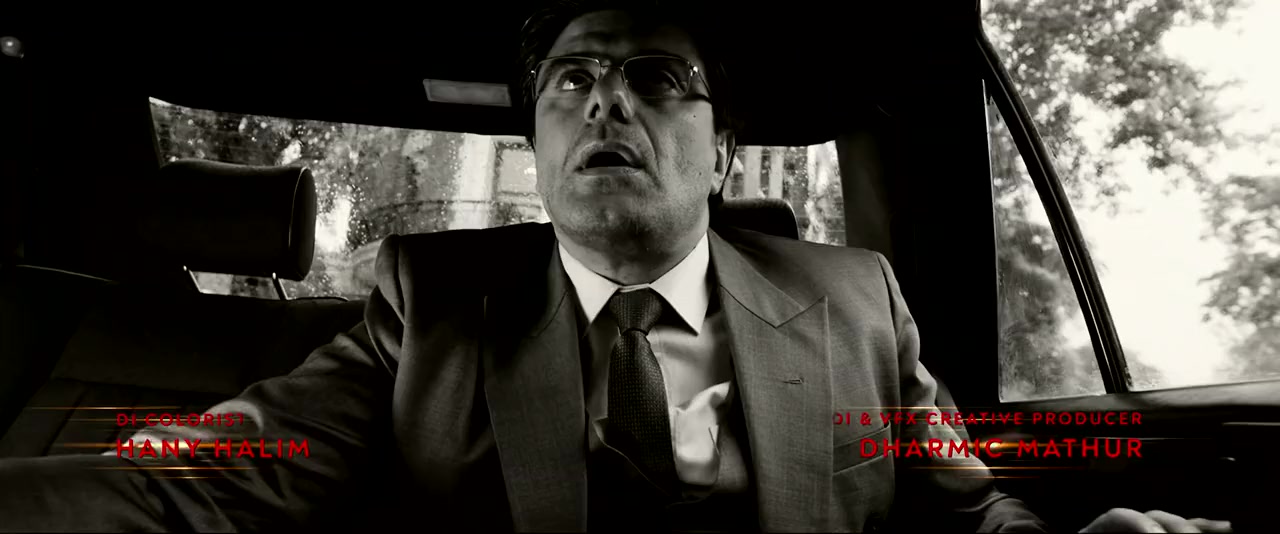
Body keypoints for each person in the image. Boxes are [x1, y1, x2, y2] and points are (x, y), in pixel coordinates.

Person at [0, 1, 1234, 532]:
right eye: (571, 80)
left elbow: (965, 515)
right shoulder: (431, 303)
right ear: (538, 147)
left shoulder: (855, 298)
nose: (606, 103)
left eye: (654, 78)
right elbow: (206, 480)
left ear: (721, 152)